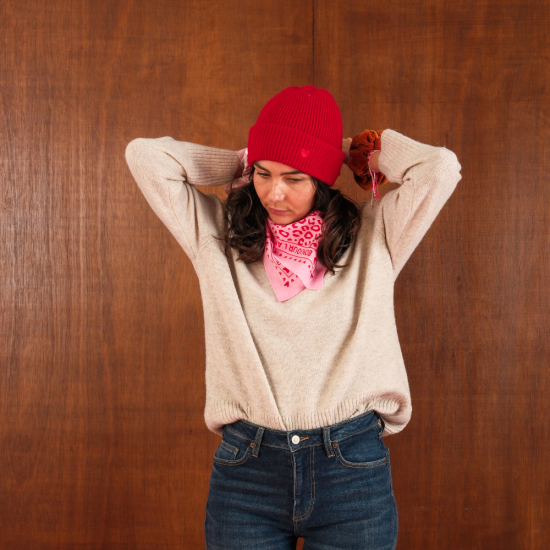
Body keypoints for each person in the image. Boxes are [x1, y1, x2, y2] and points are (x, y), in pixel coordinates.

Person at [125, 84, 462, 550]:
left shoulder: (376, 234)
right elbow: (145, 156)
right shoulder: (217, 234)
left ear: (323, 179)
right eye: (263, 174)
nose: (274, 192)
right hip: (248, 474)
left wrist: (353, 151)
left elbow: (439, 168)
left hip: (351, 472)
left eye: (296, 178)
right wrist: (246, 159)